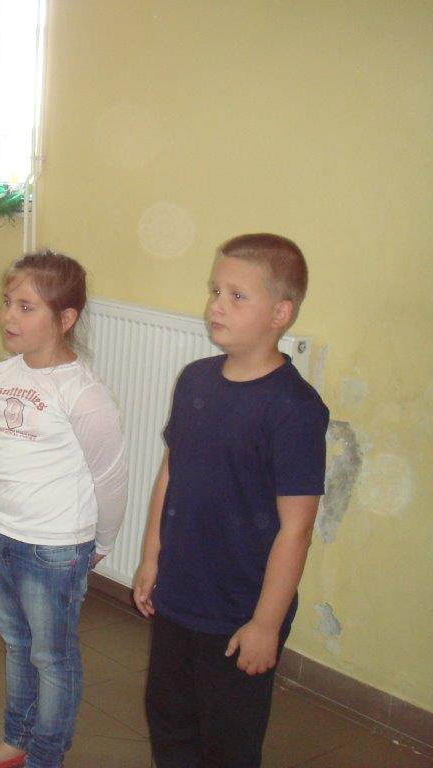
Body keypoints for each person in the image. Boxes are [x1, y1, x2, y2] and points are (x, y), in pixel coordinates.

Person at [133, 234, 329, 768]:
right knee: (168, 718)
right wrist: (151, 556)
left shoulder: (293, 409)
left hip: (239, 608)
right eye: (215, 290)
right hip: (180, 591)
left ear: (280, 313)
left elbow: (296, 528)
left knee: (228, 738)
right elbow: (170, 472)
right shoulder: (195, 380)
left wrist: (265, 623)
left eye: (237, 296)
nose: (216, 305)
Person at [0, 251, 128, 768]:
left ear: (65, 318)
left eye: (26, 307)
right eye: (7, 302)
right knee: (17, 643)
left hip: (55, 547)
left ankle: (46, 756)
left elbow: (110, 478)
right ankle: (18, 739)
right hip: (0, 534)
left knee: (51, 657)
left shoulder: (83, 394)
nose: (8, 316)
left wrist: (103, 541)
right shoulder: (3, 373)